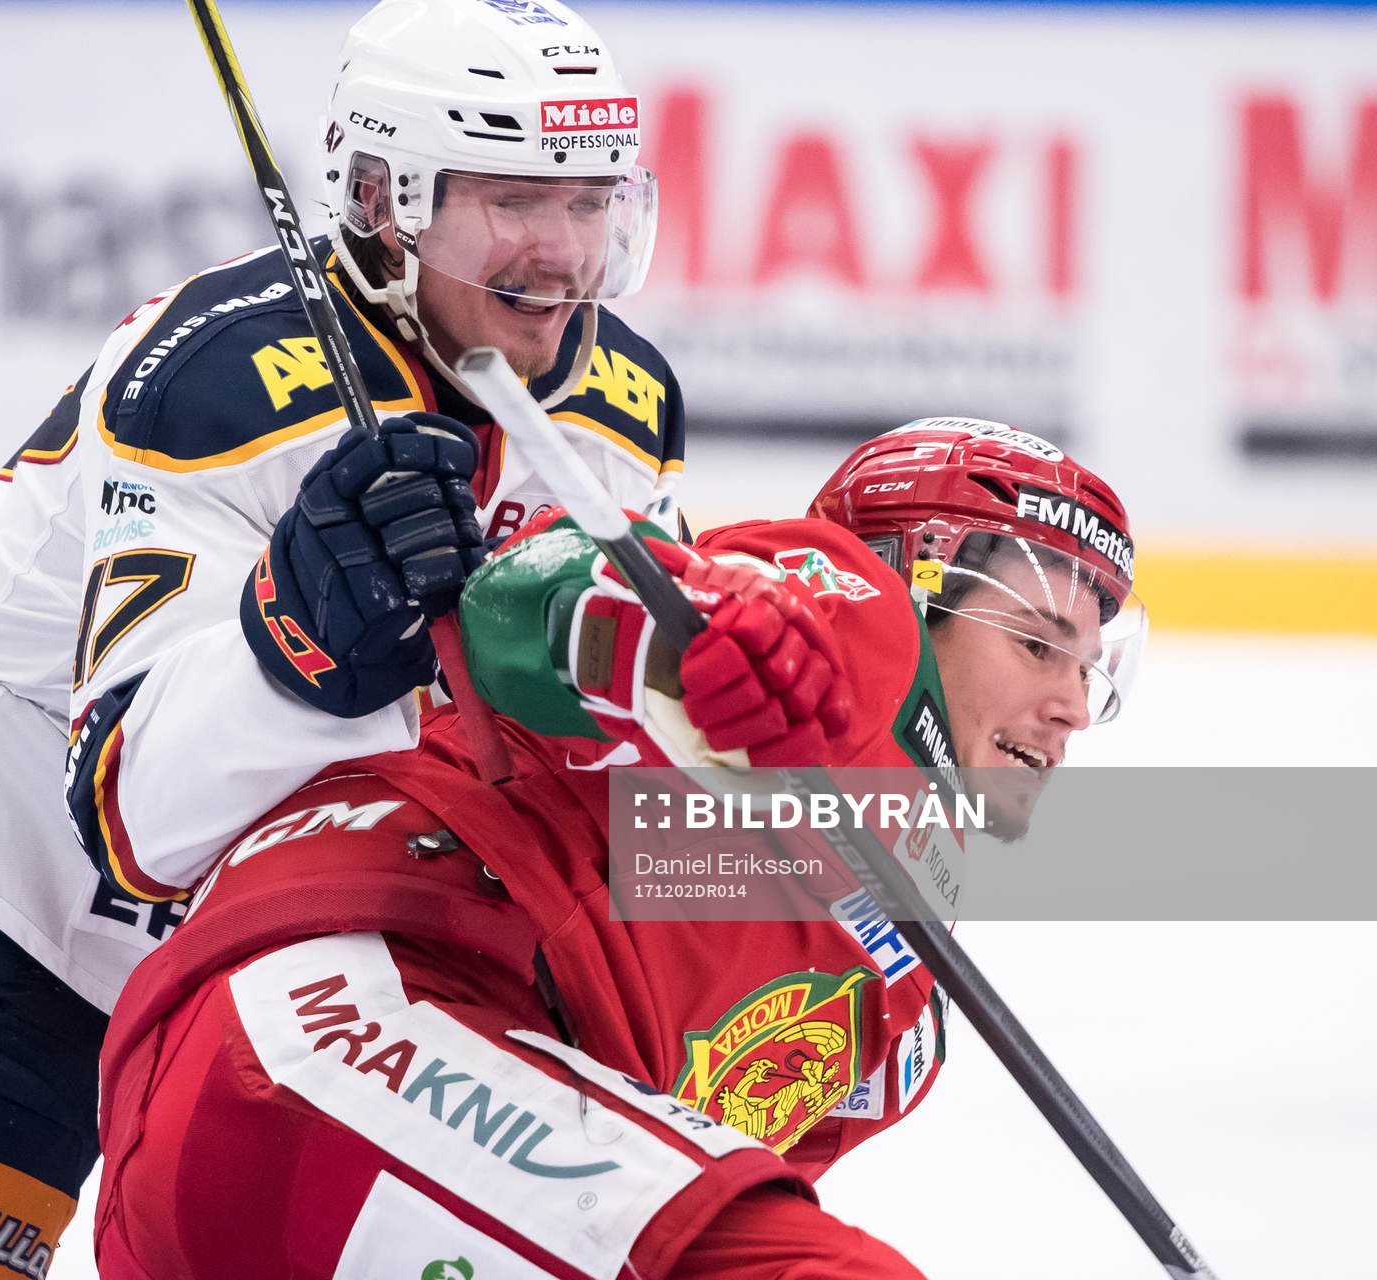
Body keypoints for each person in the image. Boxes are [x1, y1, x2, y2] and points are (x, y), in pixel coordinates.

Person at [0, 2, 680, 1278]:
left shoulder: (626, 407)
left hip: (246, 937)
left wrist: (938, 827)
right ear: (389, 196)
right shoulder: (218, 382)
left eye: (591, 200)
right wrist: (303, 631)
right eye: (511, 201)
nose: (563, 254)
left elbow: (610, 773)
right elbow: (135, 812)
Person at [90, 418, 1146, 1278]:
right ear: (911, 579)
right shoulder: (845, 618)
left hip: (337, 1167)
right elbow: (523, 603)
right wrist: (669, 643)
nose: (1070, 707)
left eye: (1090, 666)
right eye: (1040, 641)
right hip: (331, 1035)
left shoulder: (902, 994)